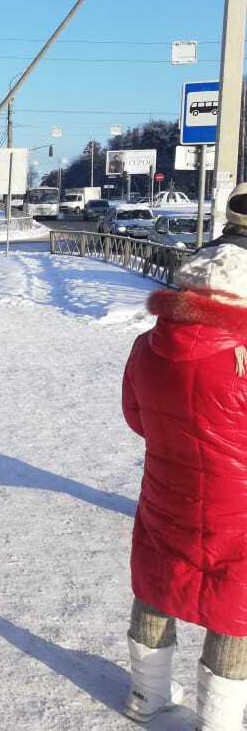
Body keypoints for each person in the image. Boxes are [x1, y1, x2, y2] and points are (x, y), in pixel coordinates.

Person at [121, 182, 247, 728]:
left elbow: (136, 417)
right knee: (235, 605)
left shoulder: (150, 345)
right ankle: (219, 719)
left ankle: (145, 697)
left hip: (166, 489)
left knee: (158, 579)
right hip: (238, 504)